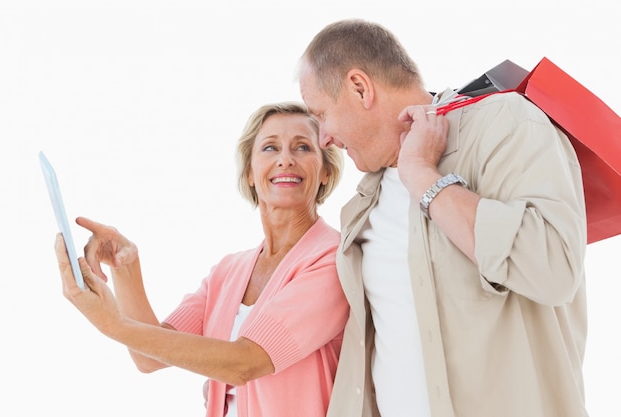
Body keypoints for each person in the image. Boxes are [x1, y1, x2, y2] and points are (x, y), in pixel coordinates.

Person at [297, 19, 588, 417]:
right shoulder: (363, 203)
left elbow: (554, 268)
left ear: (360, 87)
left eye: (321, 114)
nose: (323, 138)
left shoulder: (504, 122)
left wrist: (424, 178)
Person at [54, 102, 349, 417]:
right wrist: (126, 268)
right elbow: (150, 357)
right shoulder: (229, 271)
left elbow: (245, 363)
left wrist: (111, 323)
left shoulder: (332, 260)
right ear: (250, 172)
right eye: (270, 148)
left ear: (326, 170)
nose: (285, 160)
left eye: (303, 147)